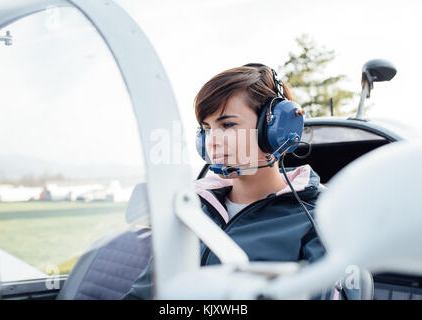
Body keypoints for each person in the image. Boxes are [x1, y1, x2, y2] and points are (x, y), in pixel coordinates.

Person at [123, 63, 330, 300]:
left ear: (275, 130)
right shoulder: (191, 210)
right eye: (206, 128)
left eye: (228, 125)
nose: (212, 141)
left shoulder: (320, 219)